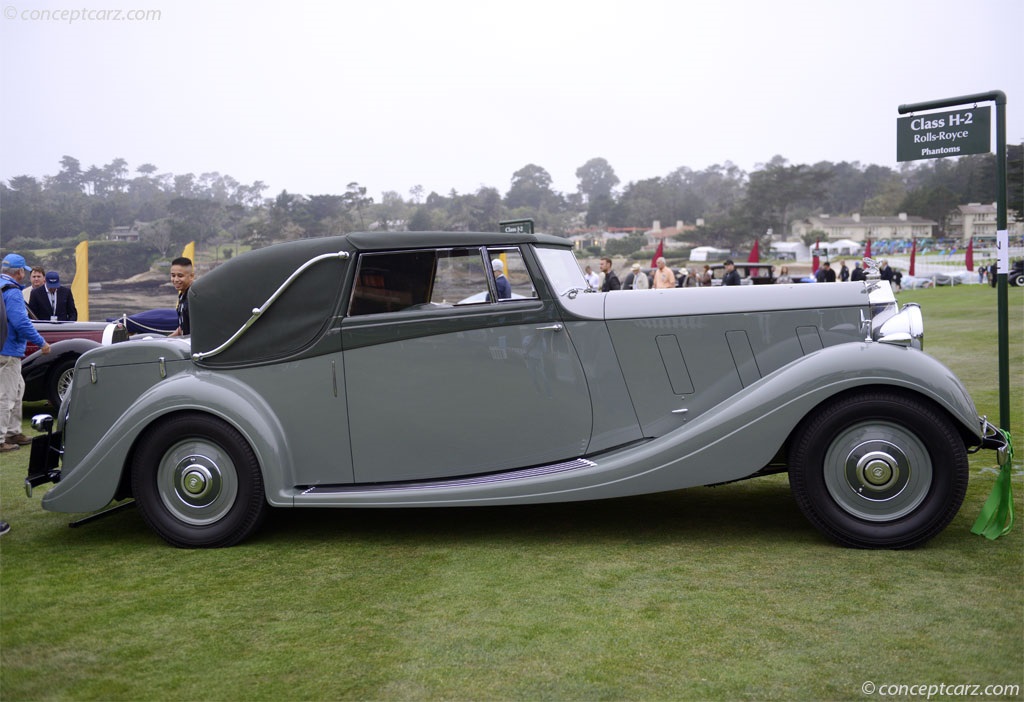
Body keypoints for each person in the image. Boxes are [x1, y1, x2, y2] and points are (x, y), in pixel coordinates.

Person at [1, 253, 51, 452]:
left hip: (4, 348)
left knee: (18, 389)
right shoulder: (12, 292)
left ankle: (14, 432)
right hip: (8, 350)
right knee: (6, 395)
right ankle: (1, 438)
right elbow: (21, 322)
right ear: (20, 272)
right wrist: (41, 343)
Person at [168, 257, 195, 337]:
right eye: (173, 275)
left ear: (191, 276)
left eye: (180, 276)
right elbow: (182, 328)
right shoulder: (182, 296)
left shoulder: (193, 298)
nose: (175, 279)